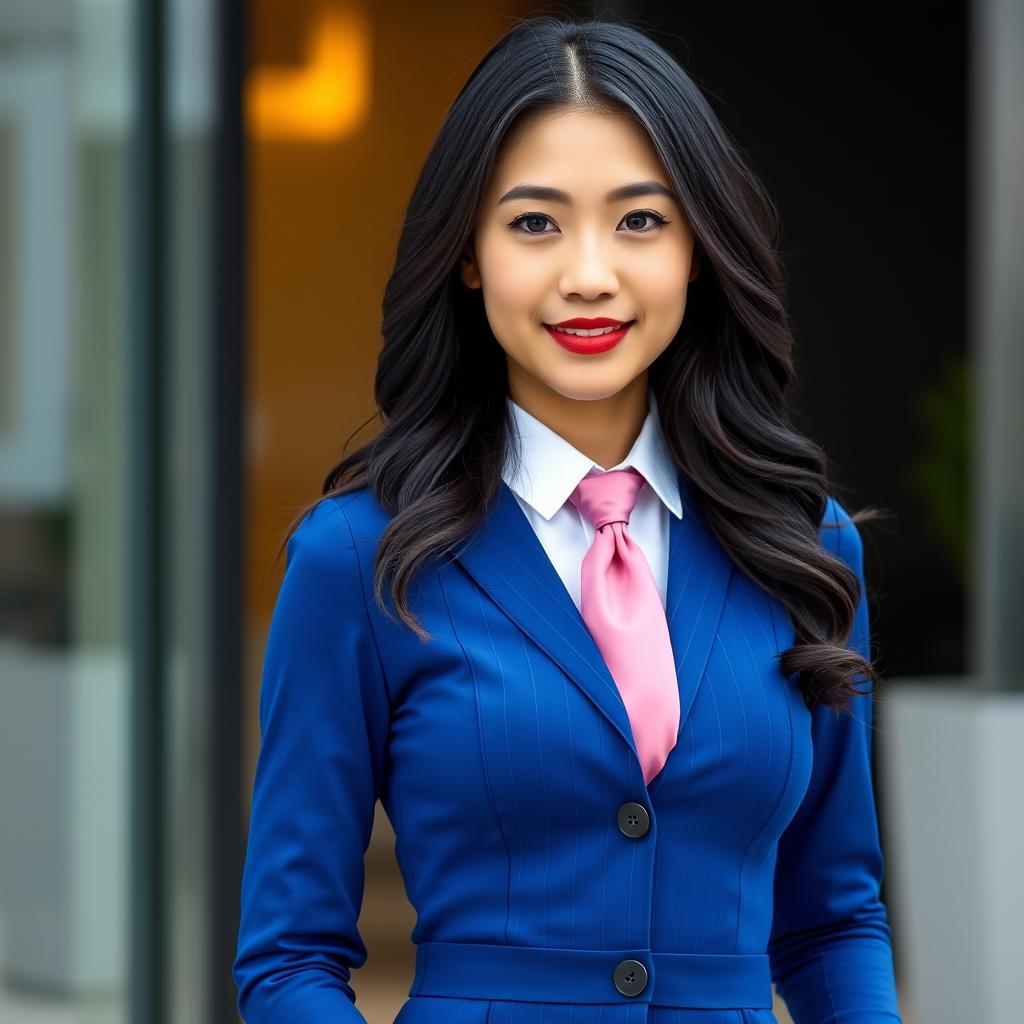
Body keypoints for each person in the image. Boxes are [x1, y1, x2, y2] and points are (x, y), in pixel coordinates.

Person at [232, 14, 903, 1024]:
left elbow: (833, 922)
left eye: (639, 221)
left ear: (697, 248)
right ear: (467, 253)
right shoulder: (357, 559)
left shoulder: (805, 546)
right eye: (534, 223)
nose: (588, 273)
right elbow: (288, 959)